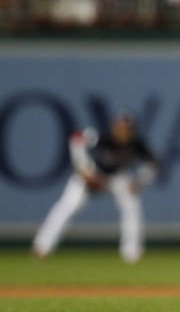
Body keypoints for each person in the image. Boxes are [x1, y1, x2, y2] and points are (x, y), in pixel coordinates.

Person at [32, 113, 160, 263]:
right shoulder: (103, 137)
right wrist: (84, 169)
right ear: (115, 128)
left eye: (127, 129)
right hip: (94, 174)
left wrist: (139, 182)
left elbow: (154, 164)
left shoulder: (137, 144)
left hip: (116, 179)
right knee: (68, 205)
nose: (123, 132)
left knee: (132, 206)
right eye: (121, 128)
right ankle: (42, 245)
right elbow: (77, 138)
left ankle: (132, 252)